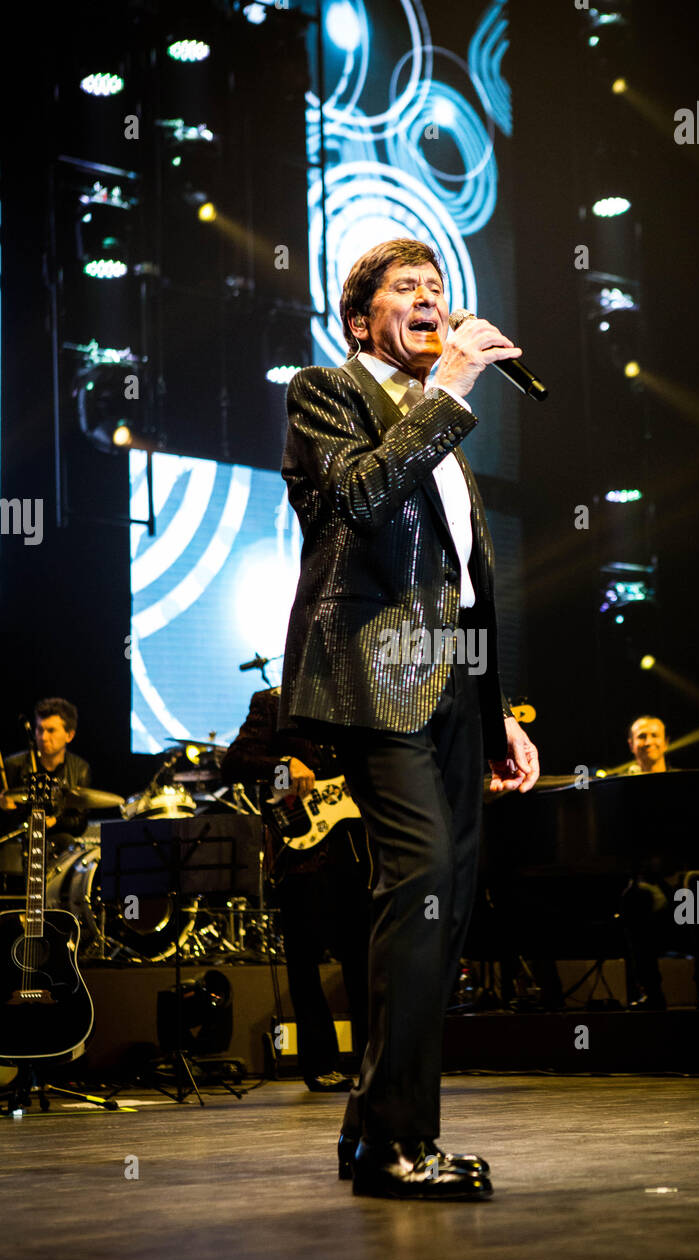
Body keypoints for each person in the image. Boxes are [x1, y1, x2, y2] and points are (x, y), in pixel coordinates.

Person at [278, 238, 540, 1199]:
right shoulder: (326, 391)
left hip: (452, 693)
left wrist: (496, 707)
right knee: (420, 882)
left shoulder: (445, 427)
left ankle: (379, 1133)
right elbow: (361, 499)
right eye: (408, 290)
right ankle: (394, 1145)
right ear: (361, 320)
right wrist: (455, 387)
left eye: (441, 288)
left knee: (446, 907)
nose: (432, 299)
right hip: (372, 679)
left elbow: (460, 586)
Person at [221, 686, 371, 1093]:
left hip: (354, 847)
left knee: (364, 956)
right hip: (300, 851)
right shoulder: (272, 701)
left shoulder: (350, 698)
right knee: (304, 962)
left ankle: (373, 1060)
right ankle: (320, 1064)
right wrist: (284, 766)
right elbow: (233, 762)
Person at [619, 715, 699, 1009]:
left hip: (686, 875)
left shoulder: (687, 785)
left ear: (666, 742)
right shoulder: (622, 789)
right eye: (642, 736)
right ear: (632, 745)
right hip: (649, 881)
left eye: (654, 735)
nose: (649, 742)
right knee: (634, 898)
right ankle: (651, 992)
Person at [0, 698, 91, 844]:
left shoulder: (80, 769)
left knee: (67, 842)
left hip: (58, 843)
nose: (43, 737)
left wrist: (54, 821)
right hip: (19, 842)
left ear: (70, 735)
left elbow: (79, 822)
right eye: (39, 729)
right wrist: (6, 810)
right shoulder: (13, 766)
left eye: (51, 731)